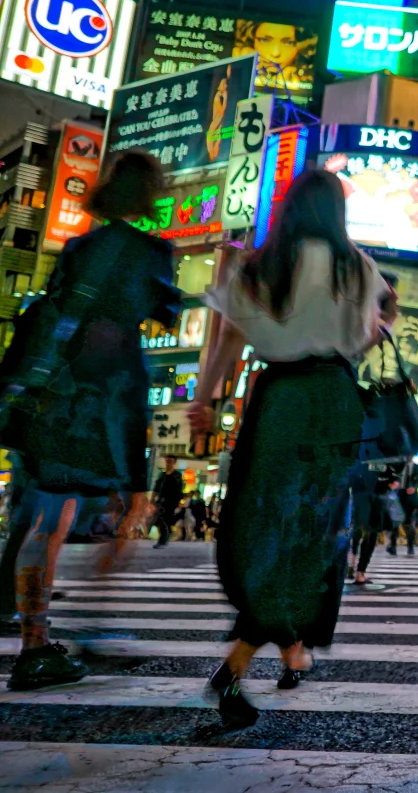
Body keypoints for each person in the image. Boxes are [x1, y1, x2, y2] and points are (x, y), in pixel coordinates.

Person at [190, 168, 391, 728]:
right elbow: (363, 337)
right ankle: (240, 664)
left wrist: (206, 400)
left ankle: (274, 652)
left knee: (265, 525)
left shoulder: (262, 266)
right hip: (331, 400)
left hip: (276, 401)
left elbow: (229, 337)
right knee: (310, 537)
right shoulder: (357, 266)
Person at [2, 151, 181, 690]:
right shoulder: (153, 251)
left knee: (45, 521)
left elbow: (54, 310)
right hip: (105, 395)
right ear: (150, 192)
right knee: (126, 513)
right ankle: (84, 632)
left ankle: (36, 640)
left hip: (52, 395)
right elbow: (160, 314)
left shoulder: (78, 246)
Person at [151, 456, 184, 549]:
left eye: (171, 461)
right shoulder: (162, 475)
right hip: (161, 500)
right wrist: (153, 499)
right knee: (159, 520)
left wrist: (179, 501)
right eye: (167, 461)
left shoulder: (177, 475)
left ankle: (163, 540)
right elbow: (156, 488)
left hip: (171, 501)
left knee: (164, 520)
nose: (168, 463)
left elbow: (179, 489)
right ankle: (165, 536)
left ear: (174, 463)